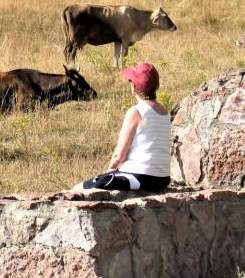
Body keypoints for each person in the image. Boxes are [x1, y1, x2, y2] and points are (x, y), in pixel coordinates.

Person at [74, 62, 172, 192]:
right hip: (162, 180)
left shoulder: (136, 112)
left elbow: (119, 156)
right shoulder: (165, 112)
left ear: (134, 87)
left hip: (139, 177)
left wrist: (109, 170)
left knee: (79, 188)